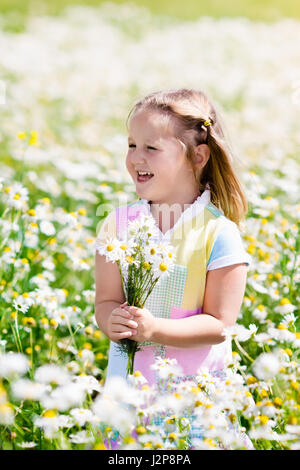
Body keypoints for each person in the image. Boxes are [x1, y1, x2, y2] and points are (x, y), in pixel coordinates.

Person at [94, 88, 253, 448]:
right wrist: (110, 321)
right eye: (131, 145)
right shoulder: (116, 225)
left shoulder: (219, 234)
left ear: (198, 156)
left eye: (151, 148)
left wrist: (154, 329)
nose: (136, 158)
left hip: (193, 396)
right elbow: (105, 301)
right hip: (128, 394)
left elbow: (219, 324)